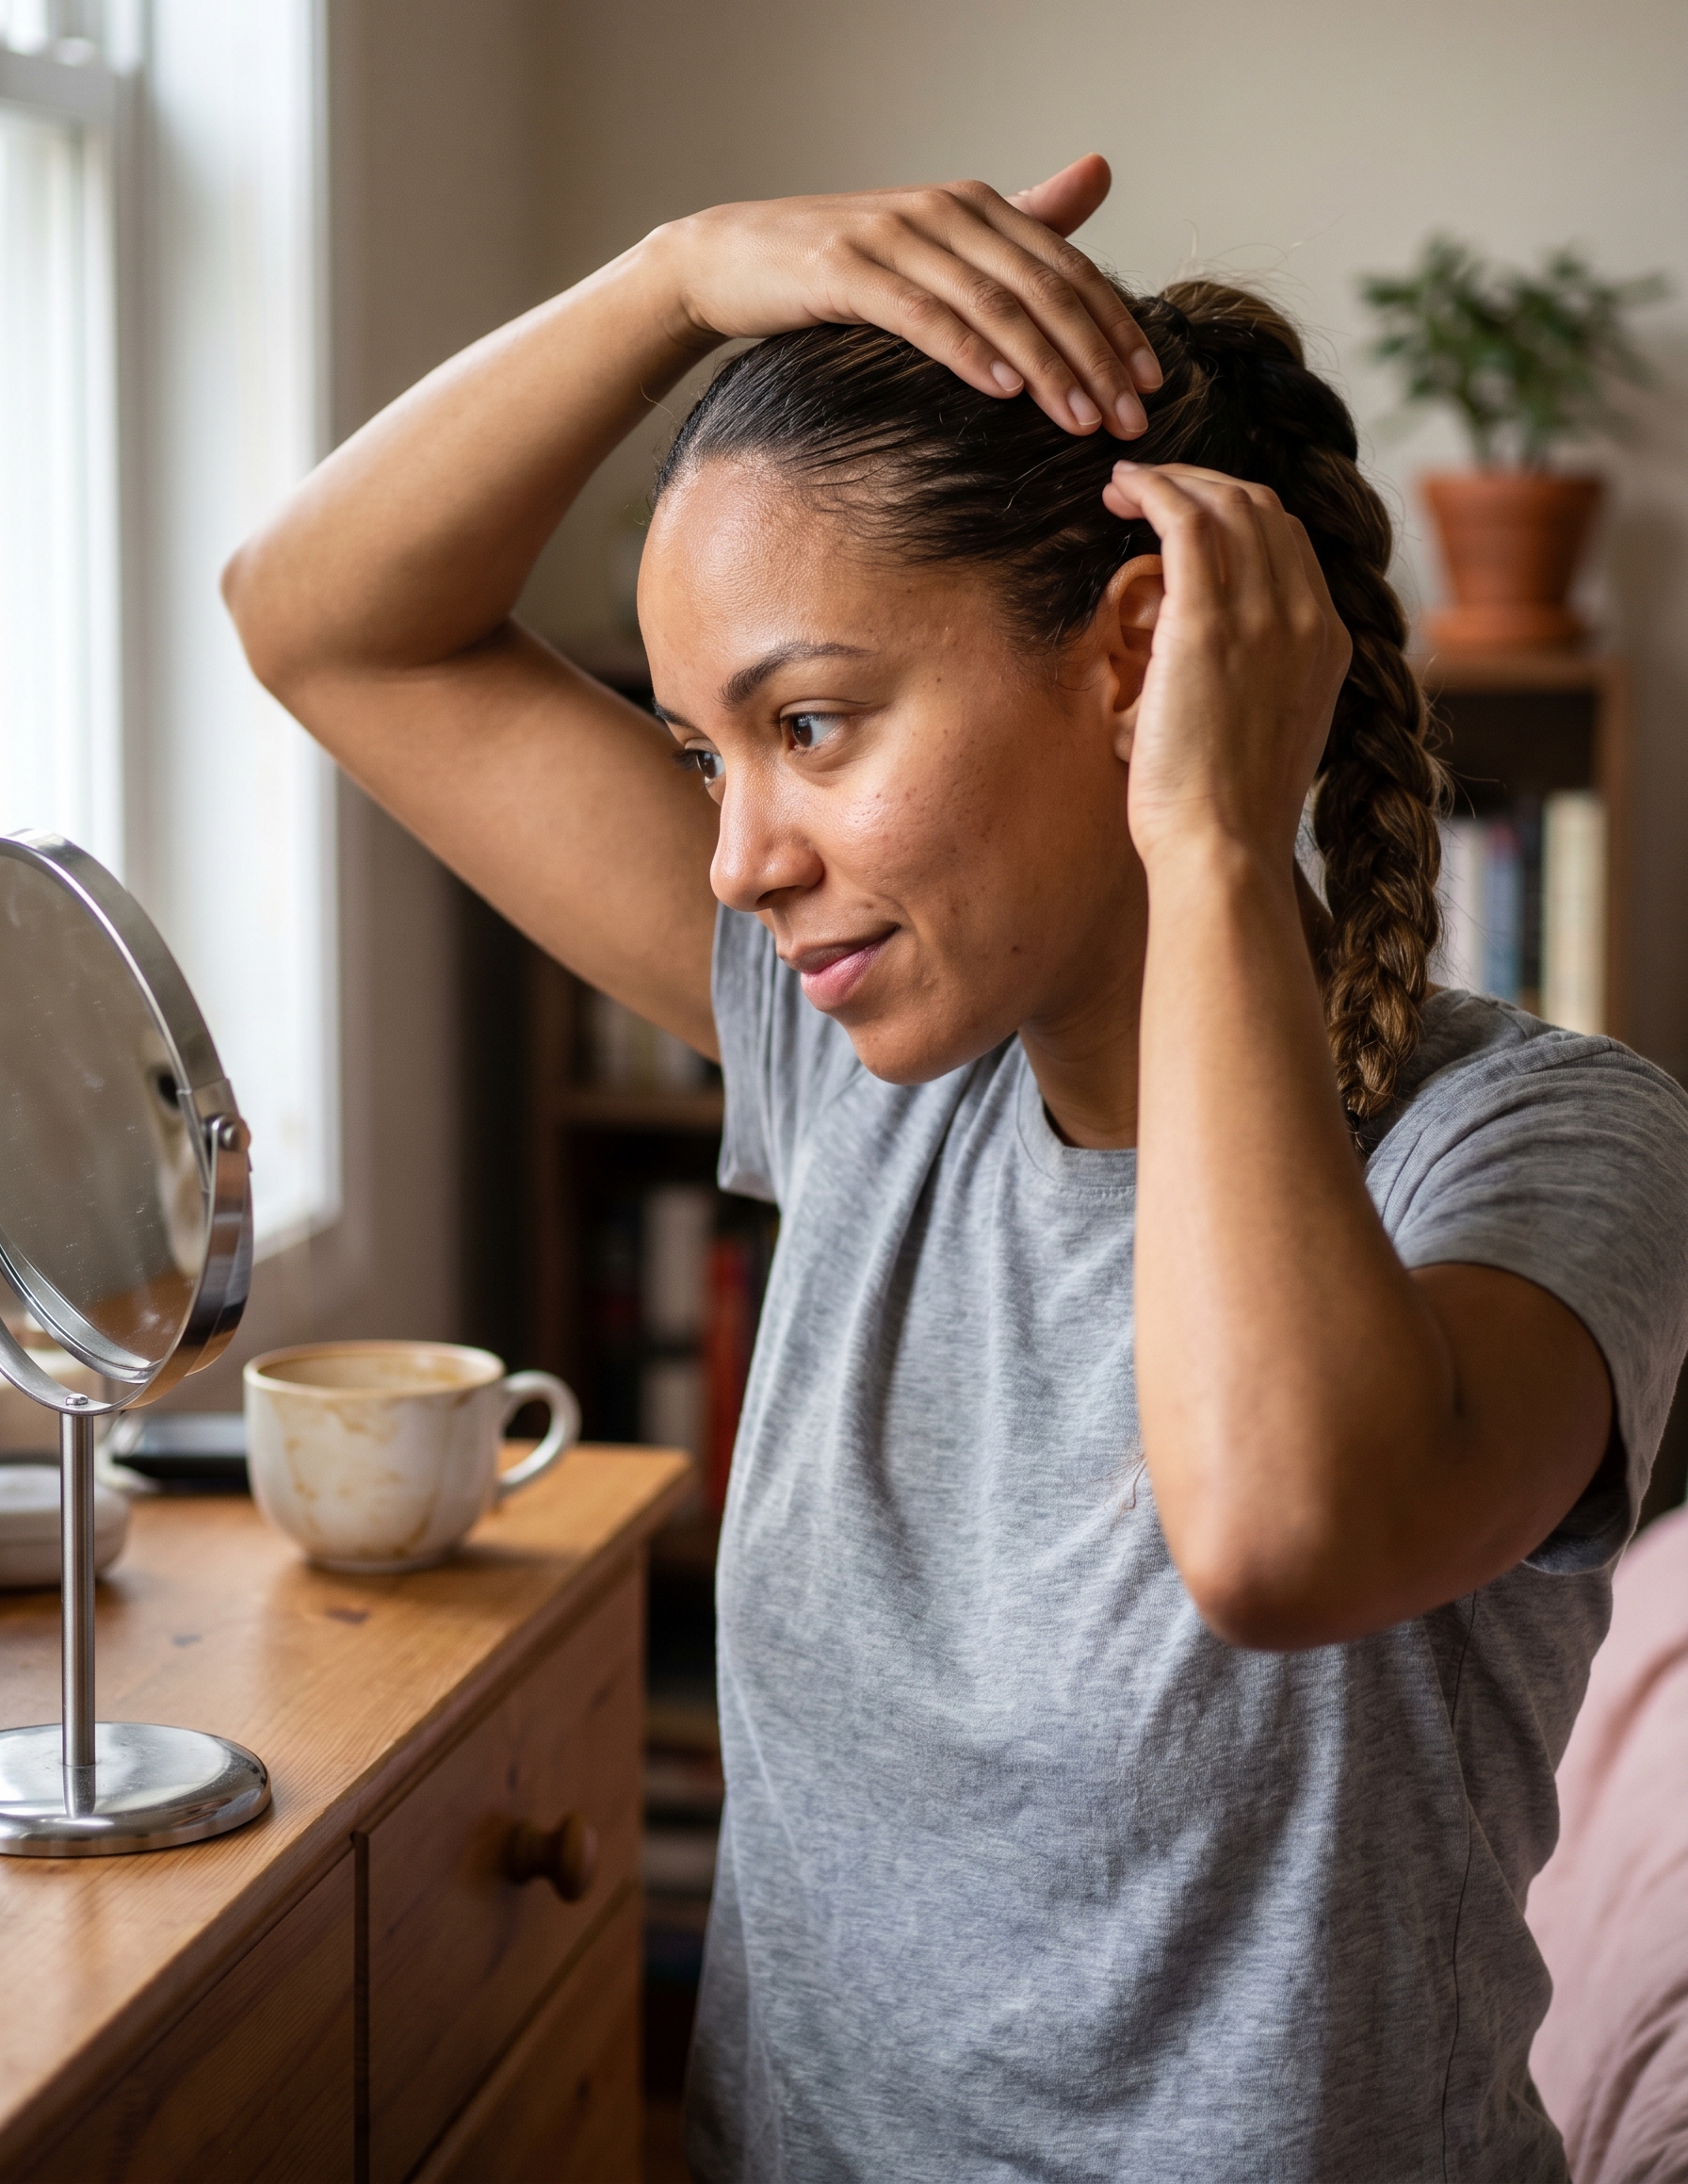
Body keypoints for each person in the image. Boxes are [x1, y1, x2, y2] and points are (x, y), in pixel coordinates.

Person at [225, 154, 1688, 2182]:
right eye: (704, 756)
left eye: (811, 726)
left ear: (1138, 658)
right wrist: (675, 273)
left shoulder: (1544, 1143)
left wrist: (1206, 839)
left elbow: (1281, 1537)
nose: (738, 860)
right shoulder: (868, 1062)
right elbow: (320, 620)